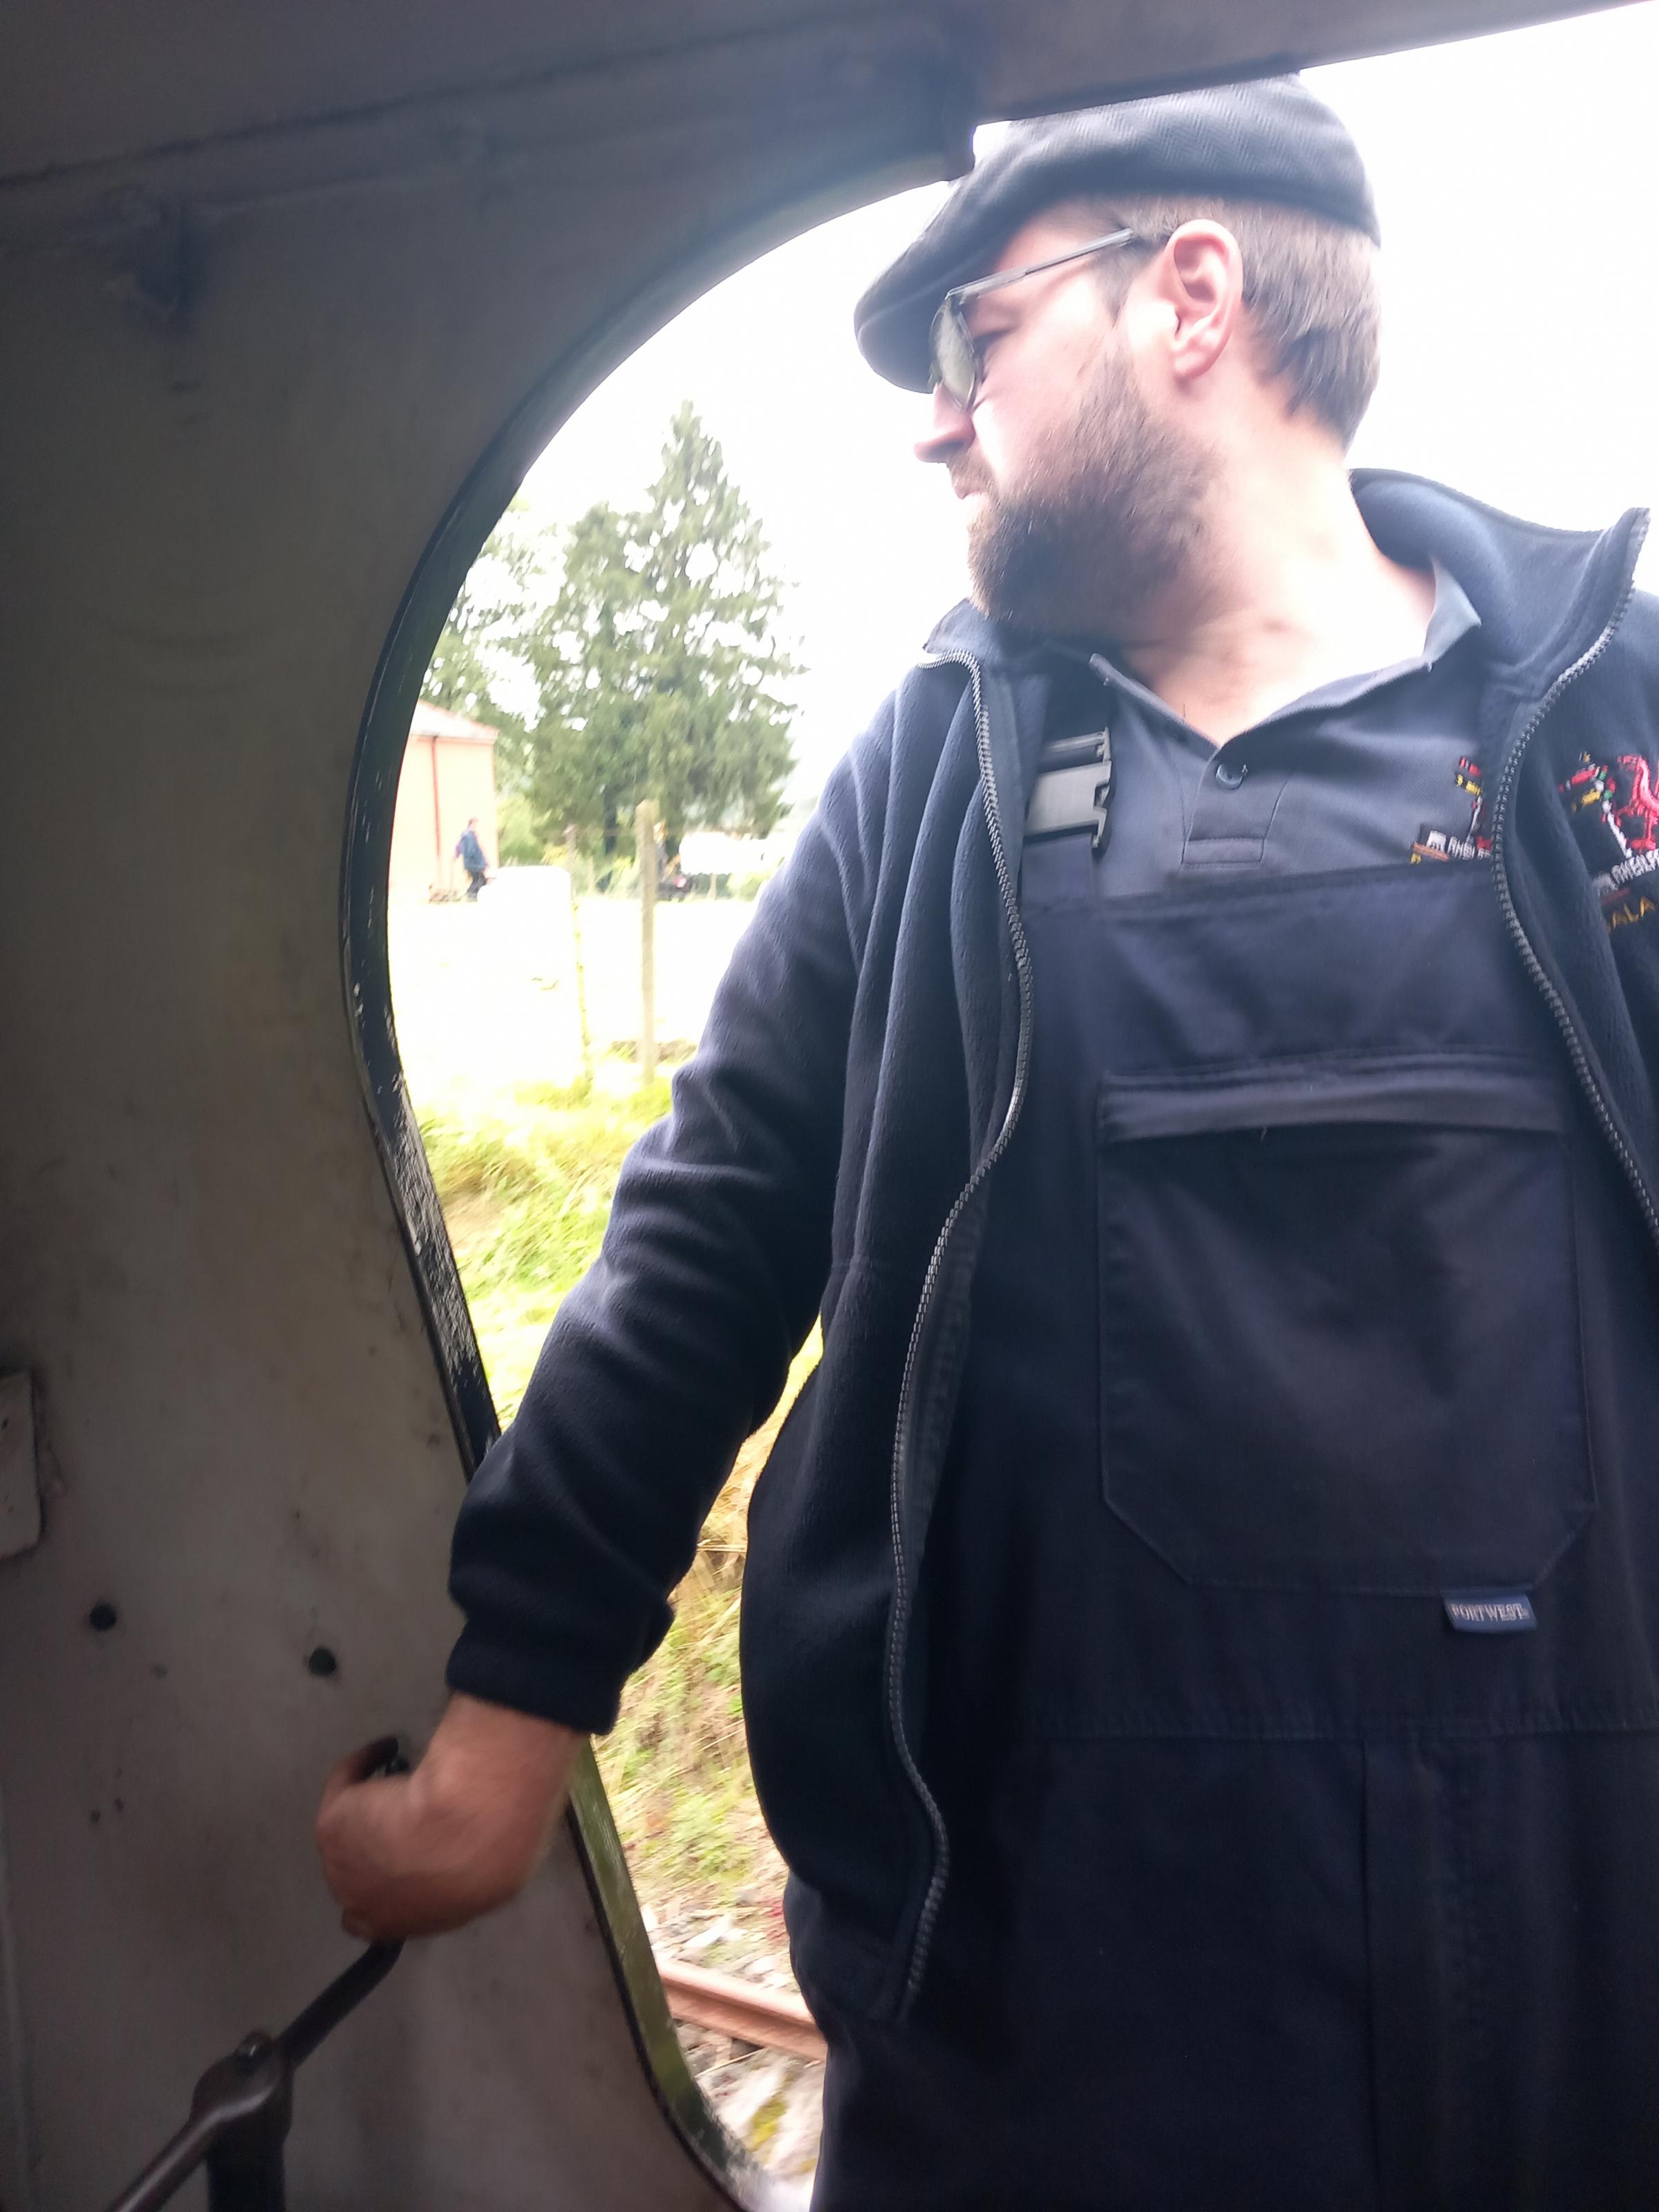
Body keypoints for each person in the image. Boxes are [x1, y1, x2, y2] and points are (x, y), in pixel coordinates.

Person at [317, 77, 1659, 2208]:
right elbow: (711, 1234)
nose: (933, 418)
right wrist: (503, 1737)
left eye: (974, 339)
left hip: (1576, 1973)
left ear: (1187, 297)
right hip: (1044, 1989)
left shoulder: (1607, 730)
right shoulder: (931, 776)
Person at [454, 816, 489, 899]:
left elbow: (459, 847)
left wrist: (456, 855)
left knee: (477, 879)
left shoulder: (468, 835)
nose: (476, 826)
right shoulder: (469, 836)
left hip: (473, 863)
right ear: (472, 824)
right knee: (480, 880)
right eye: (475, 824)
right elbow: (472, 850)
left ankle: (471, 895)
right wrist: (482, 863)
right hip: (474, 863)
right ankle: (471, 895)